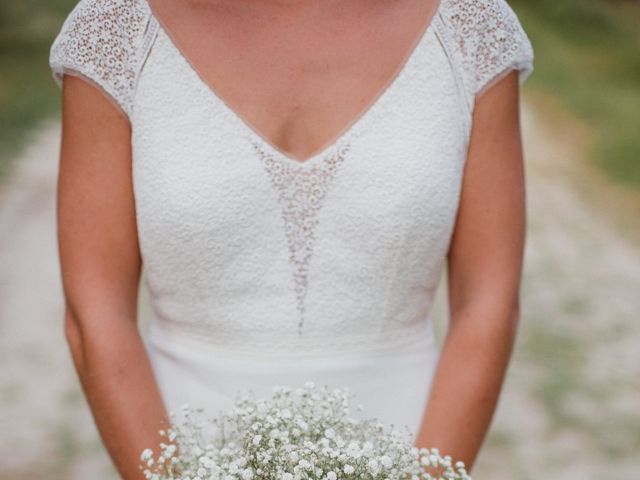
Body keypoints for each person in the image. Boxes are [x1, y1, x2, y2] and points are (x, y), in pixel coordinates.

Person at [49, 0, 533, 478]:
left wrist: (422, 475)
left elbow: (487, 302)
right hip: (175, 447)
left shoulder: (471, 26)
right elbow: (96, 311)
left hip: (412, 446)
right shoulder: (114, 30)